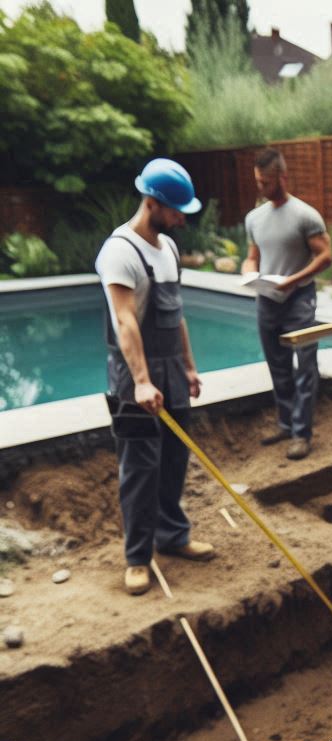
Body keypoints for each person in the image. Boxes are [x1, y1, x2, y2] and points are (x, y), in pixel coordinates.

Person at [96, 158, 215, 596]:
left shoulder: (168, 249)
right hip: (134, 376)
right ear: (153, 203)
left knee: (173, 461)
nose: (182, 217)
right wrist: (143, 381)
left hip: (171, 368)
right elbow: (125, 321)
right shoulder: (119, 252)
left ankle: (173, 536)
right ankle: (137, 557)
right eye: (177, 209)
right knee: (140, 467)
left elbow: (176, 313)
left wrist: (188, 365)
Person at [242, 148, 332, 461]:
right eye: (257, 181)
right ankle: (285, 423)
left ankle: (301, 434)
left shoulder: (305, 215)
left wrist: (293, 279)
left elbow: (325, 256)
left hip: (299, 299)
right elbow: (253, 256)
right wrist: (248, 272)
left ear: (282, 177)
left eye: (265, 182)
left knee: (305, 367)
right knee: (277, 365)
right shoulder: (254, 218)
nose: (260, 187)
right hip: (266, 300)